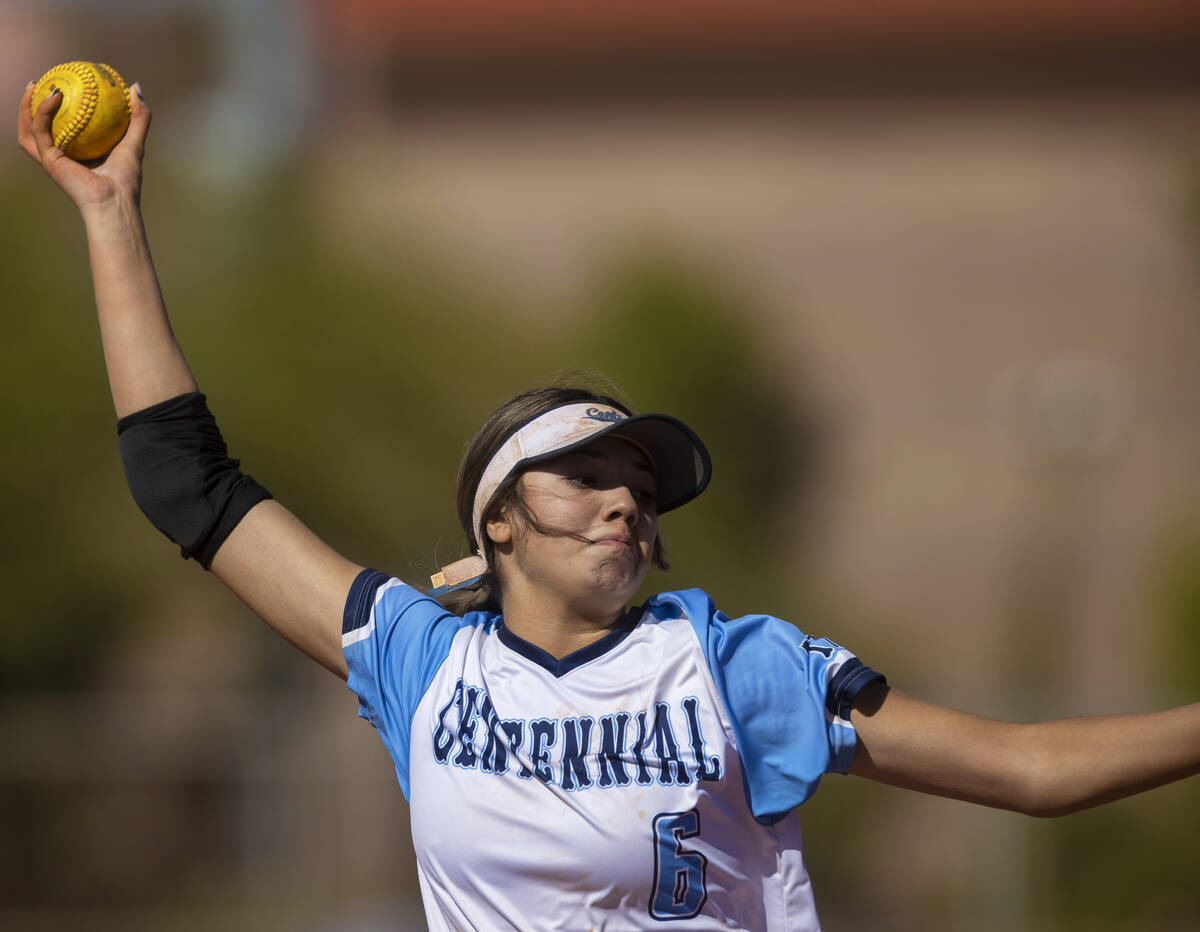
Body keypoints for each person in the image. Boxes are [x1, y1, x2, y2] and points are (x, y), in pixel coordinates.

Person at [17, 82, 1200, 932]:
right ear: (498, 519)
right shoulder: (421, 661)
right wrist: (110, 212)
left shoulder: (733, 668)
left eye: (640, 483)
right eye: (586, 475)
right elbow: (186, 482)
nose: (624, 499)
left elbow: (1031, 765)